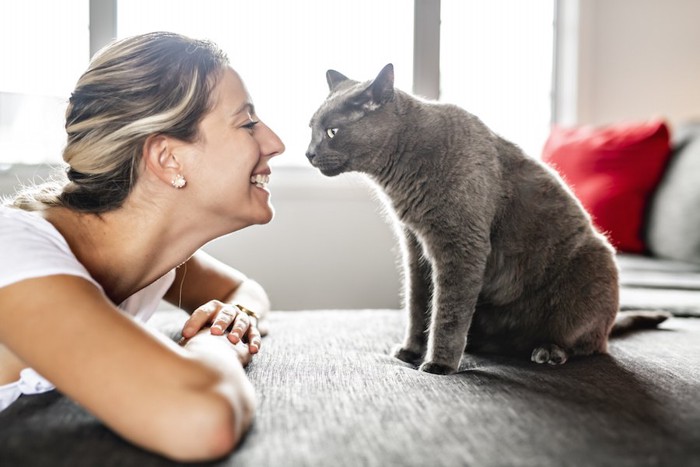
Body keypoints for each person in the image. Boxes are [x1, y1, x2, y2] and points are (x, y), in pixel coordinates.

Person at [0, 32, 284, 461]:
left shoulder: (150, 258)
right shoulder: (14, 252)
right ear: (168, 158)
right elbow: (201, 420)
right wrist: (217, 343)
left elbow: (241, 291)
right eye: (247, 124)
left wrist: (232, 317)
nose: (275, 143)